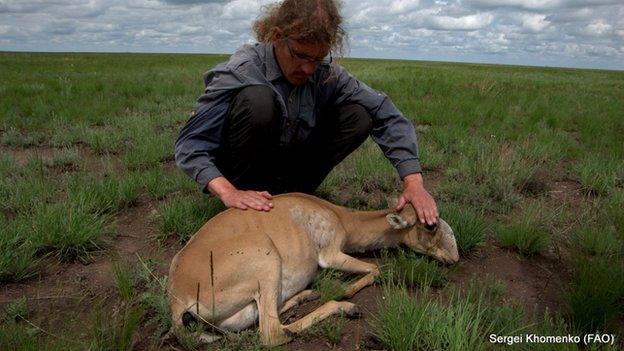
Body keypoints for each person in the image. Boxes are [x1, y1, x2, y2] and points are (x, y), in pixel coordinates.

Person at [175, 0, 438, 225]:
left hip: (289, 170)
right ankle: (247, 201)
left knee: (361, 115)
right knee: (259, 100)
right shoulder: (243, 70)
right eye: (300, 55)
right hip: (242, 178)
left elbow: (384, 110)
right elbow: (190, 145)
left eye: (317, 58)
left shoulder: (325, 73)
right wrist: (228, 192)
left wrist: (413, 183)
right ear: (277, 37)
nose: (308, 69)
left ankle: (295, 194)